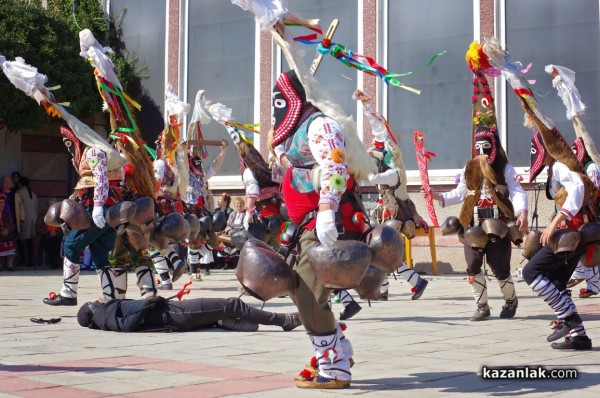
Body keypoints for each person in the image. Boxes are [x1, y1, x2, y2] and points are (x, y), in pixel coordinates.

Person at [482, 38, 595, 350]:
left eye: (537, 145)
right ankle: (577, 336)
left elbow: (578, 189)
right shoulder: (561, 163)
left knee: (531, 272)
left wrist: (557, 220)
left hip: (572, 233)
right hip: (578, 235)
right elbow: (540, 116)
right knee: (556, 280)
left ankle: (571, 321)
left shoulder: (561, 167)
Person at [428, 41, 528, 321]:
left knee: (499, 267)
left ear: (494, 145)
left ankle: (510, 301)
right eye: (479, 147)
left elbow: (518, 190)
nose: (483, 153)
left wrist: (521, 212)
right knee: (472, 266)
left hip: (498, 222)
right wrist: (442, 198)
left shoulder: (504, 167)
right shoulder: (470, 166)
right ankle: (481, 306)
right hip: (473, 223)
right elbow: (463, 191)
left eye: (487, 147)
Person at [545, 64, 600, 299]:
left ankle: (592, 281)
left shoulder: (592, 167)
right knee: (578, 242)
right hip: (578, 209)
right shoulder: (574, 167)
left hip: (589, 210)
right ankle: (585, 278)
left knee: (588, 244)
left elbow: (594, 188)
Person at [77, 296, 302, 333]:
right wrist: (150, 303)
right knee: (232, 303)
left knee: (221, 310)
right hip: (175, 314)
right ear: (91, 309)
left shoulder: (105, 316)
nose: (98, 299)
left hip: (174, 314)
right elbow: (128, 325)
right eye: (94, 302)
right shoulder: (105, 314)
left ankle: (221, 321)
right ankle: (282, 320)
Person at [14, 176, 38, 267]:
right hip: (33, 218)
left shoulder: (18, 192)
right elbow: (36, 208)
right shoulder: (33, 194)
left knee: (20, 239)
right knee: (30, 241)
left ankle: (23, 258)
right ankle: (31, 260)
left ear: (20, 184)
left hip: (24, 219)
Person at [35, 198, 63, 269]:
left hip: (56, 235)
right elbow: (38, 228)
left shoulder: (59, 215)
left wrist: (56, 232)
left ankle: (56, 263)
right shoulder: (42, 214)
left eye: (54, 204)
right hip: (46, 235)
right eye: (51, 204)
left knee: (59, 243)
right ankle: (53, 263)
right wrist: (48, 232)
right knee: (48, 243)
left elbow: (62, 227)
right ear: (48, 206)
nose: (53, 206)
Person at [0, 193, 17, 271]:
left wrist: (7, 230)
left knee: (11, 241)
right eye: (0, 203)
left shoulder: (7, 213)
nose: (2, 205)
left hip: (7, 234)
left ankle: (10, 265)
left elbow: (12, 224)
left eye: (3, 203)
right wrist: (1, 230)